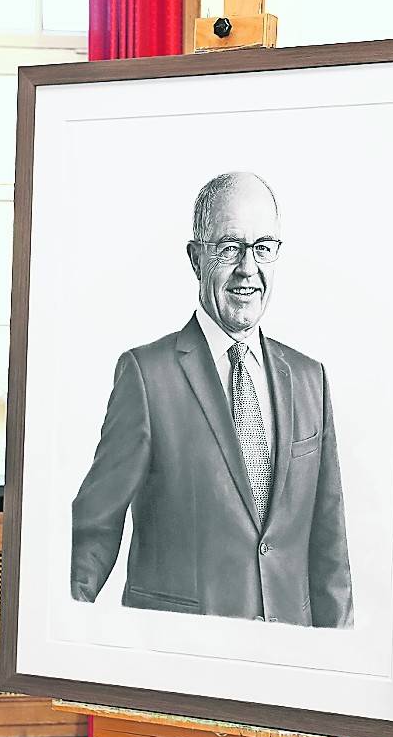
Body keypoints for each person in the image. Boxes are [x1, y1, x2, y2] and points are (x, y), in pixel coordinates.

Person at [70, 171, 353, 627]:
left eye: (262, 248)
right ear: (195, 258)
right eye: (229, 247)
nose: (248, 268)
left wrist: (338, 658)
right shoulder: (146, 375)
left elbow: (329, 549)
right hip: (181, 661)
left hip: (289, 658)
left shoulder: (309, 379)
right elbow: (94, 528)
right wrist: (62, 635)